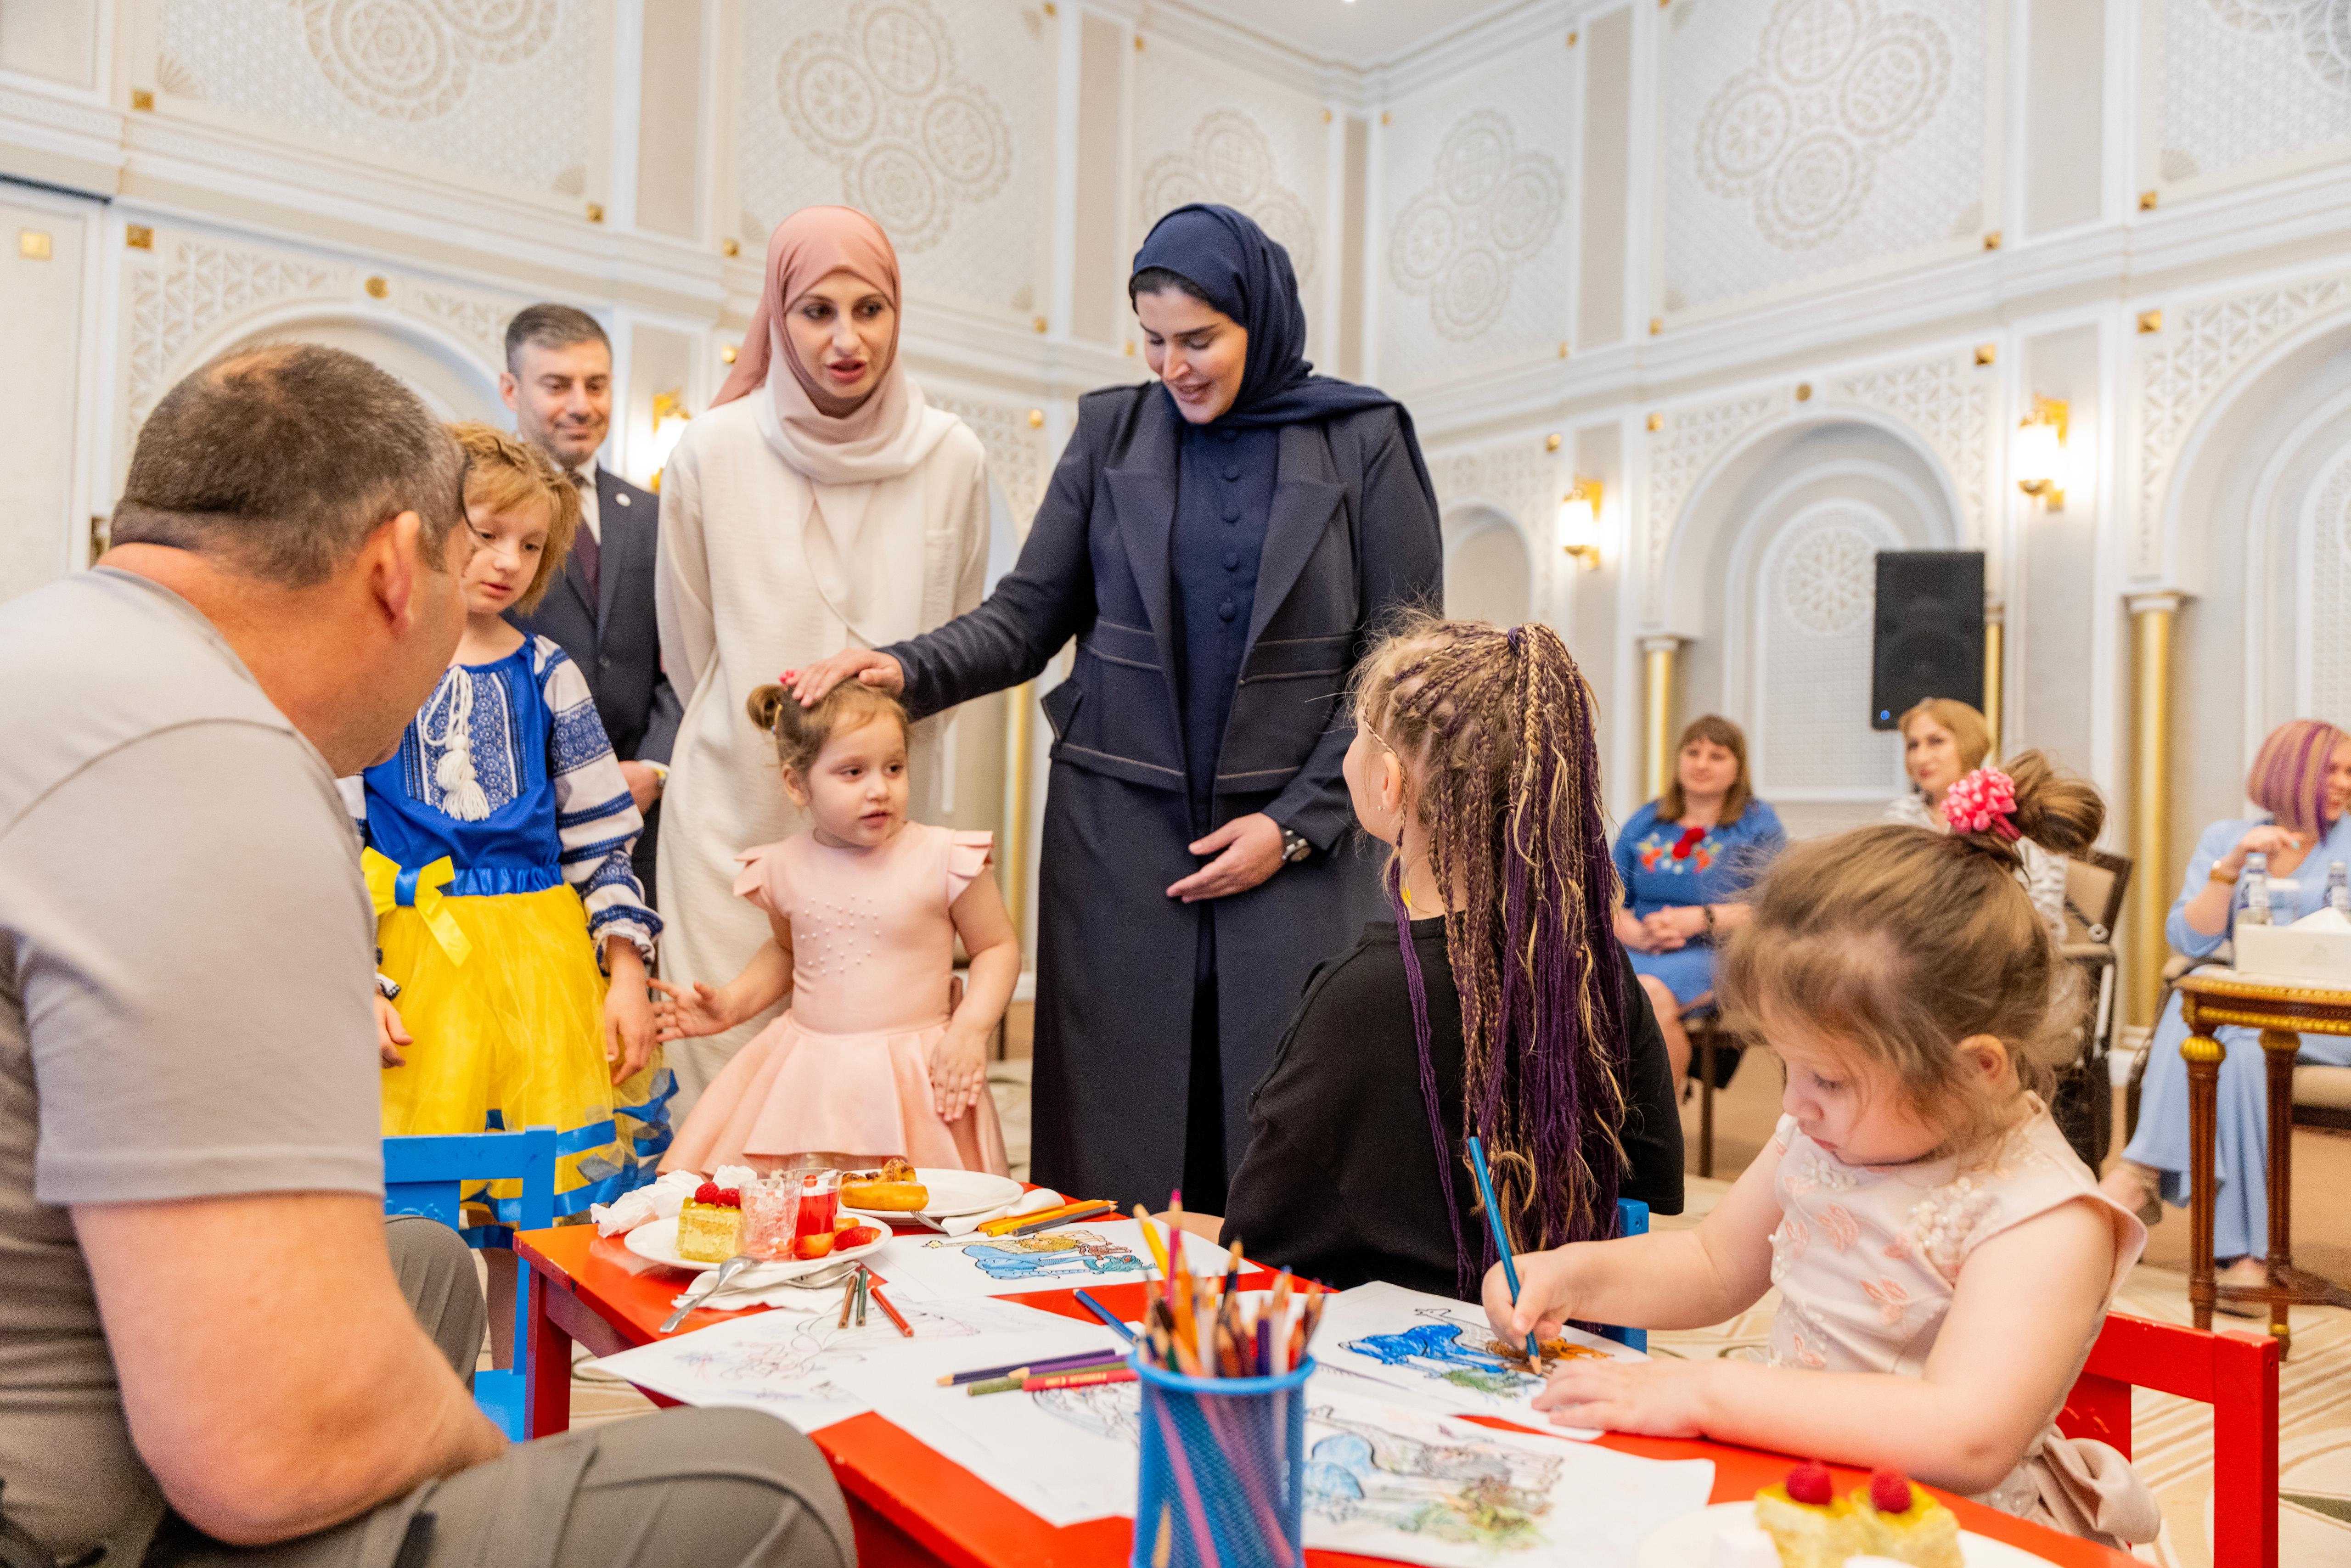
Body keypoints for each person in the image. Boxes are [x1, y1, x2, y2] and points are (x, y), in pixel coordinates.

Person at [0, 343, 849, 1567]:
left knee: (428, 1256)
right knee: (761, 1484)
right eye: (470, 554)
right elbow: (257, 1442)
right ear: (402, 566)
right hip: (61, 1514)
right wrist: (505, 1477)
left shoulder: (61, 642)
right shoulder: (216, 767)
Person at [793, 203, 1444, 1214]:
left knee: (1290, 1114)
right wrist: (902, 668)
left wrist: (1295, 826)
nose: (1173, 366)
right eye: (1152, 340)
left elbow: (1401, 664)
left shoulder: (1363, 438)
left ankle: (1275, 1310)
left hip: (1299, 847)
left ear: (1259, 321)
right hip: (1119, 839)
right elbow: (1025, 617)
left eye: (1199, 340)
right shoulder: (1111, 432)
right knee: (1114, 1130)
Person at [1481, 755, 2159, 1549]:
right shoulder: (1831, 1130)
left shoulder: (2043, 1217)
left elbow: (1965, 1434)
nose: (1793, 1105)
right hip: (1804, 1491)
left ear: (1976, 1069)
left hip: (1947, 1533)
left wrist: (1704, 1393)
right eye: (1787, 1067)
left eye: (1829, 1079)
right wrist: (1572, 1274)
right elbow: (1711, 1266)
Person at [1214, 617, 1682, 1299]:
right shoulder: (1595, 970)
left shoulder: (1361, 998)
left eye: (1358, 734)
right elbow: (1645, 1189)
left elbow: (1257, 1244)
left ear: (1389, 783)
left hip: (1376, 1345)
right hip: (1561, 1333)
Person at [656, 207, 990, 1111]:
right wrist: (778, 739)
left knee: (872, 1100)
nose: (848, 340)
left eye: (870, 309)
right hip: (734, 822)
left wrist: (862, 768)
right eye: (816, 311)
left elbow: (954, 643)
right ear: (777, 314)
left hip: (886, 836)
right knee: (723, 1099)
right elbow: (692, 644)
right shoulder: (713, 449)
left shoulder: (953, 456)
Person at [358, 422, 669, 1253]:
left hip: (543, 973)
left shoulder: (549, 673)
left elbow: (601, 840)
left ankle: (519, 1342)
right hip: (410, 969)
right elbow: (333, 838)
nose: (508, 561)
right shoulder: (374, 662)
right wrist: (356, 980)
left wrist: (627, 975)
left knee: (535, 1221)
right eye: (488, 534)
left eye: (531, 546)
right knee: (408, 1213)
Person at [656, 679, 1013, 1174]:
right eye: (853, 772)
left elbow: (996, 947)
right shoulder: (781, 867)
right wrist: (733, 1003)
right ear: (797, 784)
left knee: (922, 1206)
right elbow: (788, 951)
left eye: (894, 768)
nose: (879, 788)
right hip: (810, 1075)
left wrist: (970, 1031)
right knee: (802, 1203)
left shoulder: (946, 857)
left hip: (917, 1075)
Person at [2102, 719, 2351, 1298]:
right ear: (2290, 772)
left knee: (2215, 1017)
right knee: (2218, 1021)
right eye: (2331, 770)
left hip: (2332, 1017)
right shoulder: (2227, 837)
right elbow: (2190, 939)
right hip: (2254, 1019)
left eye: (2349, 772)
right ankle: (2247, 1258)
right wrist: (2231, 866)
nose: (2344, 783)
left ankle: (2140, 1173)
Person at [501, 303, 680, 905]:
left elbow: (686, 656)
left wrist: (653, 767)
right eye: (557, 385)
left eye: (596, 385)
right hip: (518, 816)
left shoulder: (655, 515)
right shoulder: (480, 513)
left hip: (637, 816)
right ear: (512, 389)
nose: (581, 405)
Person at [1612, 715, 1785, 1093]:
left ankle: (1655, 1121)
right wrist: (1633, 932)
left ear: (1738, 767)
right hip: (1640, 947)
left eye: (1717, 755)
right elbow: (1604, 895)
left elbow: (1776, 908)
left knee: (1647, 994)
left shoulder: (1757, 822)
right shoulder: (1648, 819)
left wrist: (1703, 918)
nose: (1702, 763)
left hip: (1719, 951)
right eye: (1693, 752)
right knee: (1589, 989)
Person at [1888, 697, 2069, 940]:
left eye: (1936, 741)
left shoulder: (2012, 810)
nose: (1920, 758)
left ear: (1970, 743)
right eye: (1913, 745)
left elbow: (2043, 918)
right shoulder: (1901, 815)